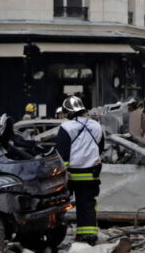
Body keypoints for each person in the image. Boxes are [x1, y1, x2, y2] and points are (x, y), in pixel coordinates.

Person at [55, 96, 104, 245]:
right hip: (91, 174)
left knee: (59, 206)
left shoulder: (66, 127)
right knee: (87, 205)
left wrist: (63, 173)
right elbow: (100, 149)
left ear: (69, 112)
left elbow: (62, 154)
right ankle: (88, 237)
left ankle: (55, 234)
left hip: (71, 175)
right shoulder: (96, 126)